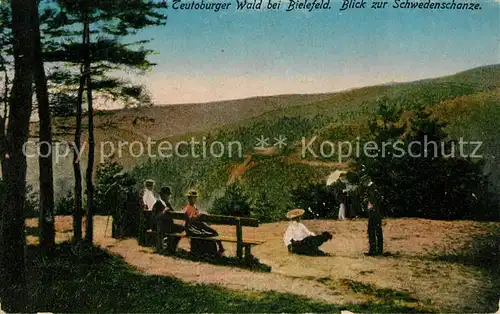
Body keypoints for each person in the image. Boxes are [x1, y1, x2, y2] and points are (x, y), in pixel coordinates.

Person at [183, 190, 225, 255]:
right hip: (192, 229)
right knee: (210, 234)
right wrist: (198, 216)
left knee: (214, 232)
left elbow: (197, 214)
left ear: (195, 199)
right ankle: (214, 251)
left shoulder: (193, 207)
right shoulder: (187, 208)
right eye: (189, 198)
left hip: (196, 227)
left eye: (192, 198)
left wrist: (201, 214)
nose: (190, 199)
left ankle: (219, 249)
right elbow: (190, 218)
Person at [152, 186, 185, 253]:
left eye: (169, 195)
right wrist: (164, 211)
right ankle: (168, 247)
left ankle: (171, 247)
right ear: (163, 195)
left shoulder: (167, 203)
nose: (169, 197)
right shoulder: (158, 203)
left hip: (168, 225)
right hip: (160, 226)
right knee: (176, 229)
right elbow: (156, 217)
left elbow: (173, 214)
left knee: (182, 228)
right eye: (167, 195)